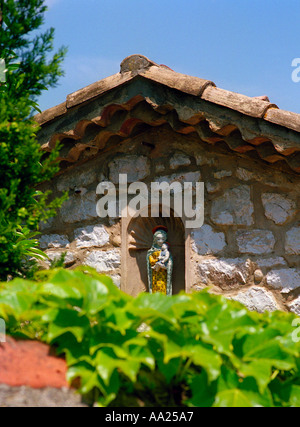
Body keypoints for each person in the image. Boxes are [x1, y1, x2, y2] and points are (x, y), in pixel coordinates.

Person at [147, 227, 173, 295]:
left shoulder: (166, 251)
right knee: (156, 286)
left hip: (163, 273)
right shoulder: (151, 251)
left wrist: (167, 265)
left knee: (162, 285)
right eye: (158, 239)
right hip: (155, 273)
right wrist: (154, 260)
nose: (161, 241)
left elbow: (169, 260)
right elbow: (149, 260)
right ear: (155, 239)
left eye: (163, 239)